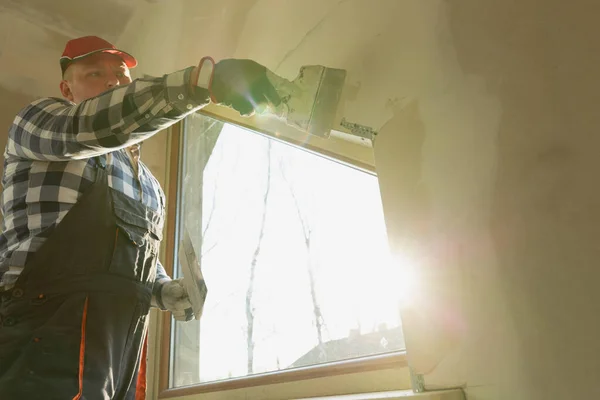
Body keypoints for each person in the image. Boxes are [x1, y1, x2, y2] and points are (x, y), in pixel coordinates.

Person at [0, 35, 280, 399]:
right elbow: (89, 127)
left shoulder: (150, 185)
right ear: (67, 88)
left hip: (121, 344)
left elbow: (128, 255)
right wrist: (199, 84)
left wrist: (164, 290)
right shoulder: (39, 122)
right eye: (95, 73)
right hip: (44, 331)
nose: (113, 80)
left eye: (120, 73)